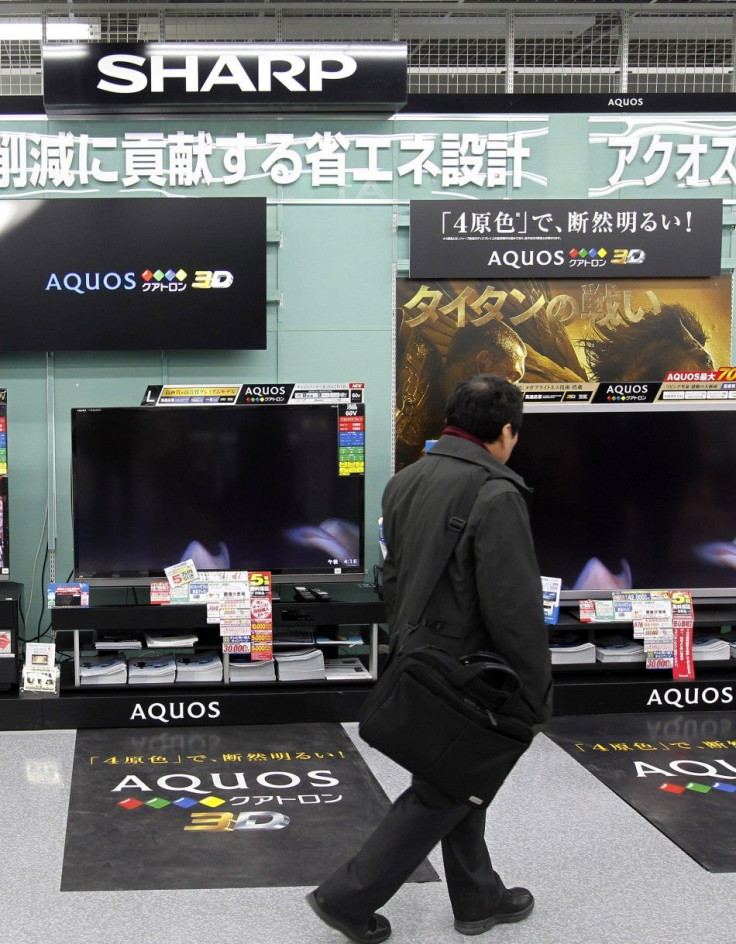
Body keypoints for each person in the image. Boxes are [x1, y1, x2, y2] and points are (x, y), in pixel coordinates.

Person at [306, 374, 553, 943]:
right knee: (444, 789)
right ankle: (347, 898)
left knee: (458, 778)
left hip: (419, 658)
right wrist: (538, 694)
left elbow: (391, 578)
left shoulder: (405, 481)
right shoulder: (498, 492)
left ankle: (477, 896)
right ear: (507, 431)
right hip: (475, 672)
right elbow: (514, 608)